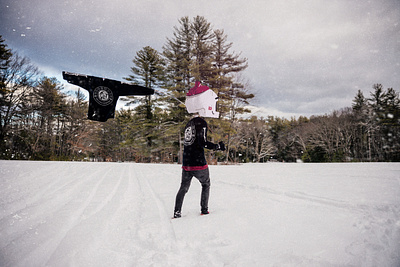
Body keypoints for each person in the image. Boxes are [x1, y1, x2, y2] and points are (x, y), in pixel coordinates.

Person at [173, 81, 225, 218]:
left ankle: (177, 212)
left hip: (186, 163)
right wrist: (217, 147)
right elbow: (202, 143)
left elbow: (191, 142)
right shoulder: (201, 123)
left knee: (183, 188)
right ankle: (204, 210)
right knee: (206, 184)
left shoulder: (188, 123)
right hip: (198, 163)